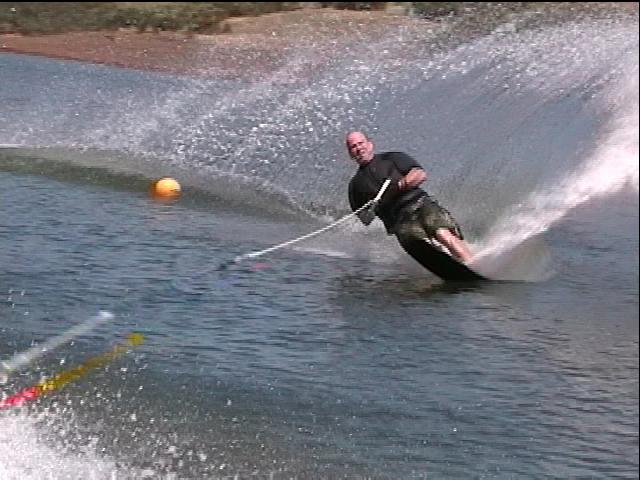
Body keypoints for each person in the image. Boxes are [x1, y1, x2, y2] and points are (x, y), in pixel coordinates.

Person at [346, 131, 473, 264]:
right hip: (399, 220)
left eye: (361, 143)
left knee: (442, 233)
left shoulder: (392, 158)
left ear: (370, 144)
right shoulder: (355, 186)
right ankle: (449, 261)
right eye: (353, 147)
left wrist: (401, 185)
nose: (359, 148)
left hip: (421, 204)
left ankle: (471, 263)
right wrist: (371, 209)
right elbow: (365, 219)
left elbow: (420, 174)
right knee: (420, 242)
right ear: (350, 154)